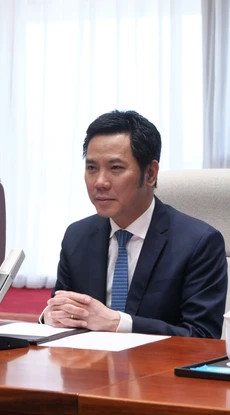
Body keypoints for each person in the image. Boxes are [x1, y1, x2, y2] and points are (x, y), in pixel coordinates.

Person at [44, 110, 226, 338]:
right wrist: (50, 316)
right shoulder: (77, 236)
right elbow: (61, 306)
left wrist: (119, 323)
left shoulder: (199, 243)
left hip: (160, 370)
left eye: (115, 168)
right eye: (92, 168)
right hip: (90, 368)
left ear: (150, 174)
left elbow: (202, 336)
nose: (100, 182)